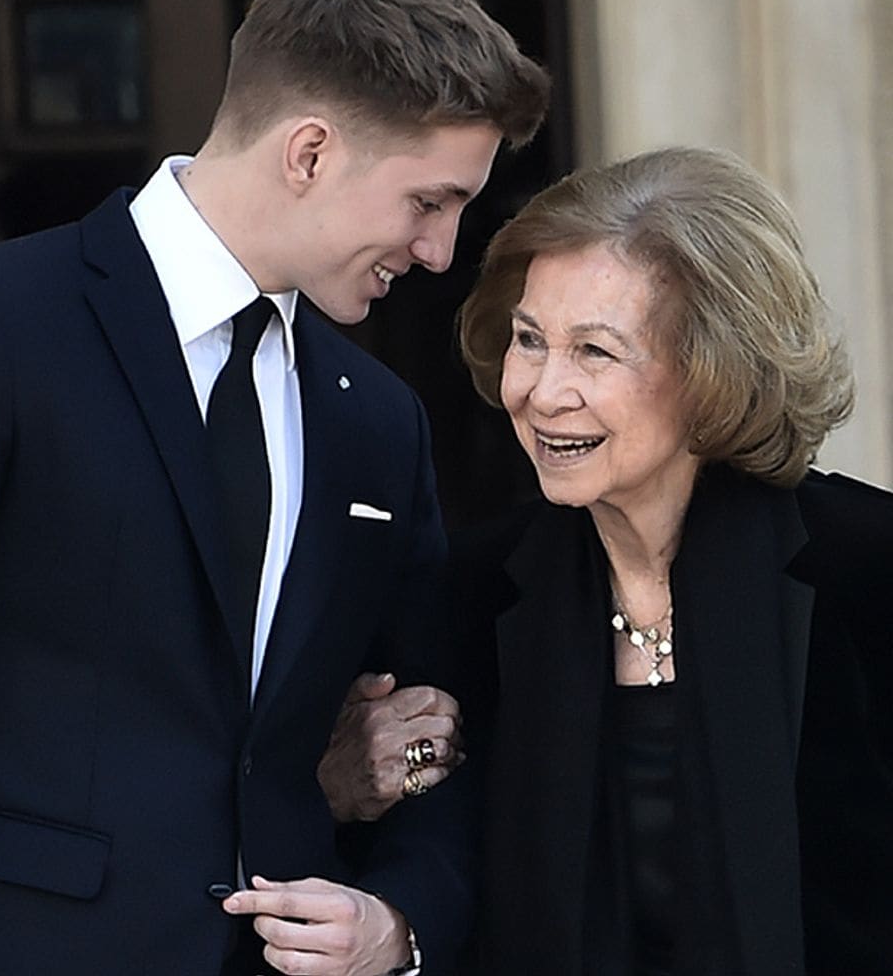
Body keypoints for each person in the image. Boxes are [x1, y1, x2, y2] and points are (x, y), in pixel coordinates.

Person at [0, 0, 550, 976]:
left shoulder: (380, 421)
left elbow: (434, 727)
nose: (439, 249)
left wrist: (401, 922)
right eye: (429, 201)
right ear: (308, 153)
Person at [320, 146, 893, 974]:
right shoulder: (468, 597)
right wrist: (351, 790)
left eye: (595, 351)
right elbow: (424, 876)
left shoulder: (865, 569)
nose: (544, 392)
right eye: (529, 340)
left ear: (712, 369)